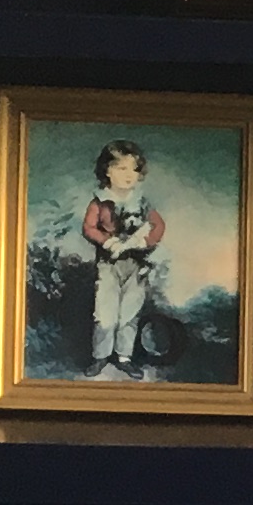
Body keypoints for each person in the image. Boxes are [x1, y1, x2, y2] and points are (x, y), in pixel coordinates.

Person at [82, 140, 166, 375]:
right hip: (109, 264)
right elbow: (89, 228)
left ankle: (124, 357)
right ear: (107, 171)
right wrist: (108, 241)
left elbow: (158, 226)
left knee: (129, 311)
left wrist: (144, 241)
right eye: (122, 168)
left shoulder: (142, 202)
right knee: (105, 313)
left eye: (134, 169)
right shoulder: (100, 201)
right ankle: (100, 356)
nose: (129, 175)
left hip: (137, 264)